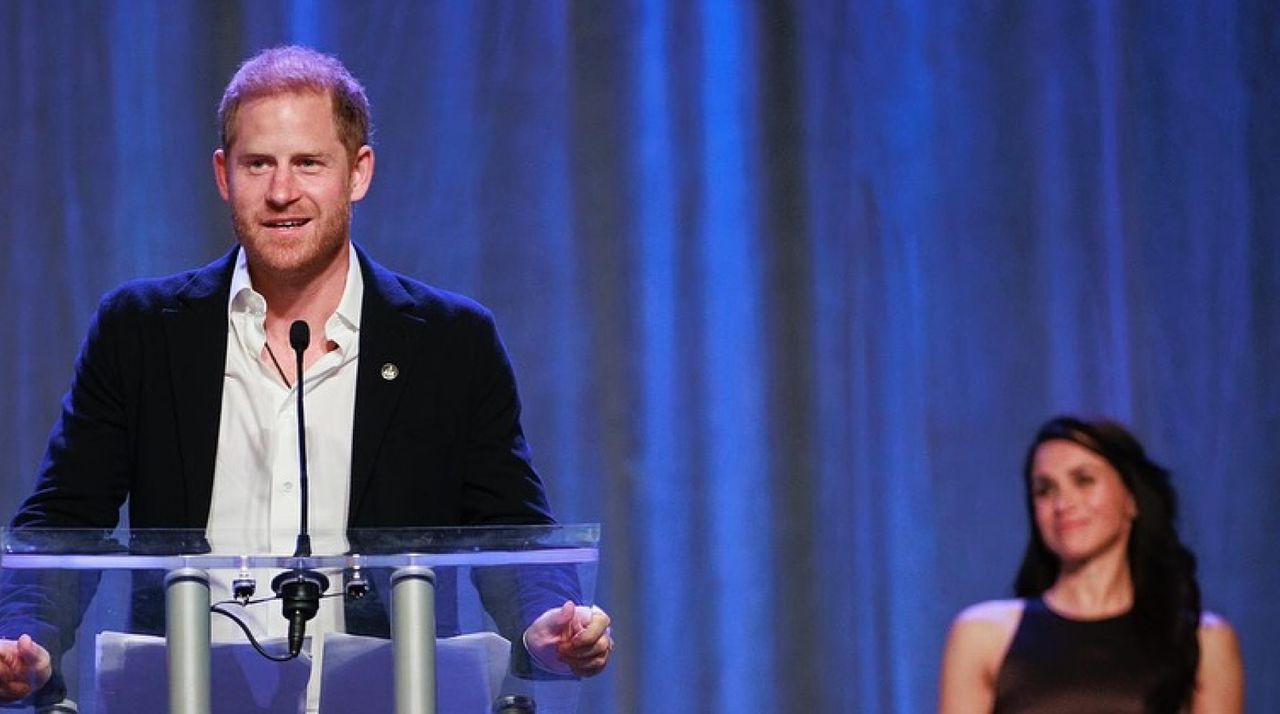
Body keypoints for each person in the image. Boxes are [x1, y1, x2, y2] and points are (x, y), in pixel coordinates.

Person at [0, 45, 613, 707]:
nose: (282, 191)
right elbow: (63, 527)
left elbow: (510, 532)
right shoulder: (141, 331)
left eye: (308, 163)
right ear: (222, 175)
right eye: (257, 163)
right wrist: (21, 637)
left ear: (358, 172)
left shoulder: (449, 343)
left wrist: (549, 622)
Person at [938, 416, 1244, 713]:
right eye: (1045, 490)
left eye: (1083, 481)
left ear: (1131, 500)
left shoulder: (1203, 641)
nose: (1062, 504)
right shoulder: (983, 636)